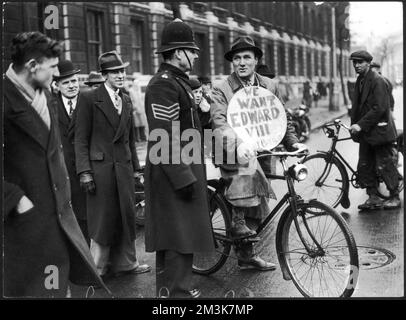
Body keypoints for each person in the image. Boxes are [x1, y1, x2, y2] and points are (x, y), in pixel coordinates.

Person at [4, 31, 108, 297]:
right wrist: (16, 200)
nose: (55, 74)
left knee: (59, 286)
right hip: (23, 223)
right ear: (32, 66)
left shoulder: (42, 94)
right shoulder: (5, 100)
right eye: (51, 68)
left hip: (58, 215)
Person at [211, 36, 306, 271]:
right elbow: (219, 123)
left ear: (256, 60)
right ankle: (237, 223)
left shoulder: (269, 85)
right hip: (234, 151)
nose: (242, 63)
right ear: (232, 62)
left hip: (264, 150)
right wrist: (239, 143)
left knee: (260, 202)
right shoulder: (221, 88)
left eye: (247, 57)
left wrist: (293, 142)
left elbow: (281, 117)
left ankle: (246, 255)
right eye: (237, 58)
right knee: (245, 192)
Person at [144, 18, 214, 298]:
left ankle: (175, 291)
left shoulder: (180, 83)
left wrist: (205, 111)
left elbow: (193, 126)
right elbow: (163, 136)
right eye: (191, 50)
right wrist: (183, 177)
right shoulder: (163, 85)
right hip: (173, 170)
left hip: (185, 166)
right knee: (176, 236)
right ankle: (176, 295)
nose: (196, 55)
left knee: (183, 234)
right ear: (176, 53)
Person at [74, 50, 151, 280]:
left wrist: (137, 169)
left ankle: (126, 264)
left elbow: (129, 139)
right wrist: (84, 171)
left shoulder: (125, 99)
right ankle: (97, 268)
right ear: (104, 75)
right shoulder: (88, 98)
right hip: (100, 172)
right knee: (102, 219)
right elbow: (80, 138)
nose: (120, 75)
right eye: (114, 72)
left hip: (123, 169)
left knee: (125, 217)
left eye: (122, 71)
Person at [349, 50, 400, 210]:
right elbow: (357, 106)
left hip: (379, 132)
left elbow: (379, 108)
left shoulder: (377, 80)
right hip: (366, 133)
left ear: (368, 63)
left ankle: (394, 196)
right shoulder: (360, 80)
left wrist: (360, 125)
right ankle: (373, 197)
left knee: (384, 164)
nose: (356, 65)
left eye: (360, 62)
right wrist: (354, 124)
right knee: (365, 164)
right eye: (354, 62)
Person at [53, 60, 89, 243]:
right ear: (57, 86)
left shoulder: (89, 101)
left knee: (88, 217)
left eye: (74, 81)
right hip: (64, 170)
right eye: (66, 82)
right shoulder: (51, 107)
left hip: (88, 170)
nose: (72, 86)